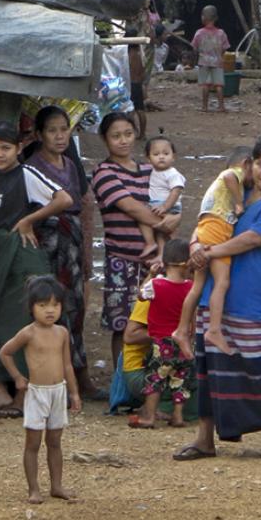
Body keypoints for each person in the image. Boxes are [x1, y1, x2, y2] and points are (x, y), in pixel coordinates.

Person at [173, 136, 261, 461]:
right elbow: (208, 216)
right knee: (210, 367)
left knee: (257, 364)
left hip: (252, 296)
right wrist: (197, 245)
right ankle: (204, 439)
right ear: (250, 164)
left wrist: (208, 251)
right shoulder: (235, 192)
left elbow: (252, 240)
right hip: (215, 293)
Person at [0, 122, 73, 417]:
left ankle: (23, 397)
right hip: (0, 259)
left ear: (19, 149)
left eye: (6, 148)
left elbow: (64, 199)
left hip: (24, 260)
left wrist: (29, 220)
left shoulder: (27, 174)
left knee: (22, 324)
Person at [25, 105, 106, 401]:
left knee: (75, 309)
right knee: (48, 309)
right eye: (52, 130)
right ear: (39, 134)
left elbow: (80, 208)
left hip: (70, 242)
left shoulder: (70, 166)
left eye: (64, 129)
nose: (59, 136)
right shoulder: (31, 166)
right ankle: (54, 379)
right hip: (48, 243)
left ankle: (79, 373)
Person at [91, 112, 179, 368]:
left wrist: (176, 215)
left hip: (155, 261)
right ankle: (124, 382)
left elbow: (171, 202)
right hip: (121, 259)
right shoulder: (103, 172)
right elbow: (132, 207)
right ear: (105, 139)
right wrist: (169, 223)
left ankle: (151, 379)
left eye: (128, 134)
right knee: (123, 325)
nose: (123, 141)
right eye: (115, 136)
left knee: (154, 321)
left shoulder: (150, 169)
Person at [0, 276, 81, 504]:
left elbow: (67, 365)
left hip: (58, 391)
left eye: (55, 305)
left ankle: (57, 486)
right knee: (33, 444)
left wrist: (74, 393)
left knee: (55, 442)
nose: (50, 311)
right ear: (31, 307)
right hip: (37, 393)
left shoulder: (62, 333)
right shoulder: (28, 333)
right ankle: (33, 489)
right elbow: (5, 352)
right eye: (43, 305)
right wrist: (17, 377)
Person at [172, 147, 252, 357]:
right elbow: (229, 176)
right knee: (222, 281)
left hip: (206, 227)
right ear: (246, 163)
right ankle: (214, 330)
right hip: (217, 228)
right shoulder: (236, 173)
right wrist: (238, 202)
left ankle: (181, 330)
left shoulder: (221, 183)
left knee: (197, 285)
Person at [128, 239, 193, 429]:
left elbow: (141, 294)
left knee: (155, 378)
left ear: (164, 263)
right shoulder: (191, 287)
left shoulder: (156, 285)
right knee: (179, 379)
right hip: (183, 343)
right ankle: (178, 416)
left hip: (162, 342)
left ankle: (149, 416)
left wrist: (150, 274)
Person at [139, 135, 185, 261]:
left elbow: (176, 191)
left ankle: (152, 244)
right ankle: (160, 254)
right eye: (156, 154)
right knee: (160, 232)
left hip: (168, 206)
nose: (161, 157)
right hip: (157, 204)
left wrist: (165, 207)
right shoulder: (153, 171)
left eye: (166, 153)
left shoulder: (172, 173)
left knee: (144, 218)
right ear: (148, 158)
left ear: (173, 156)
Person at [191, 5, 230, 113]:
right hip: (217, 62)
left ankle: (204, 107)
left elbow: (194, 48)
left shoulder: (199, 33)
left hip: (203, 62)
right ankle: (221, 106)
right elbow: (224, 48)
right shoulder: (221, 33)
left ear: (203, 17)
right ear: (216, 18)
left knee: (205, 85)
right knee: (219, 85)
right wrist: (219, 56)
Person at [127, 32, 147, 140]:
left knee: (131, 110)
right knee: (140, 110)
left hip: (131, 83)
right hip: (138, 83)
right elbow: (143, 71)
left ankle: (134, 132)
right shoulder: (140, 53)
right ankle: (141, 133)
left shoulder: (130, 53)